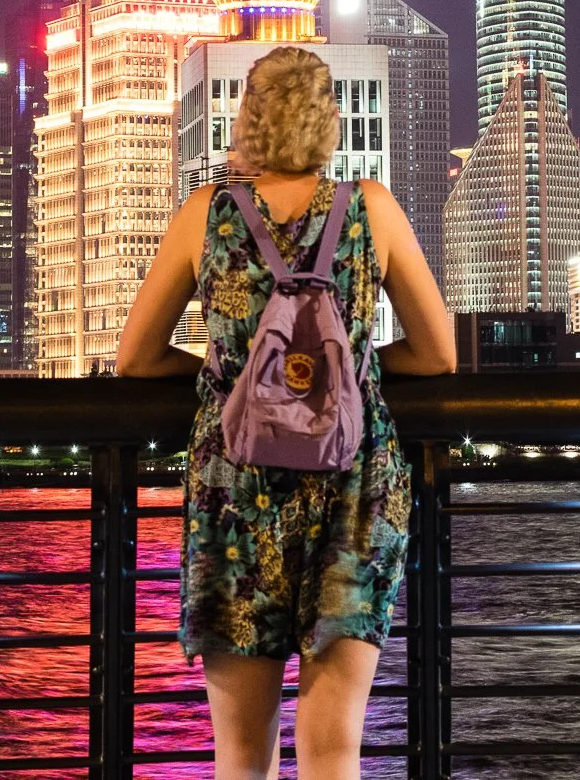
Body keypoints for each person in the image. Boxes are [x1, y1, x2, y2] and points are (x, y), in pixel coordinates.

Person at [118, 45, 457, 780]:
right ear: (330, 121)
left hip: (237, 492)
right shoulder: (373, 209)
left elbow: (136, 359)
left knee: (241, 752)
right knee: (334, 743)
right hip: (353, 490)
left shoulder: (205, 215)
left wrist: (231, 378)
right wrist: (349, 375)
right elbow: (438, 354)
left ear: (247, 124)